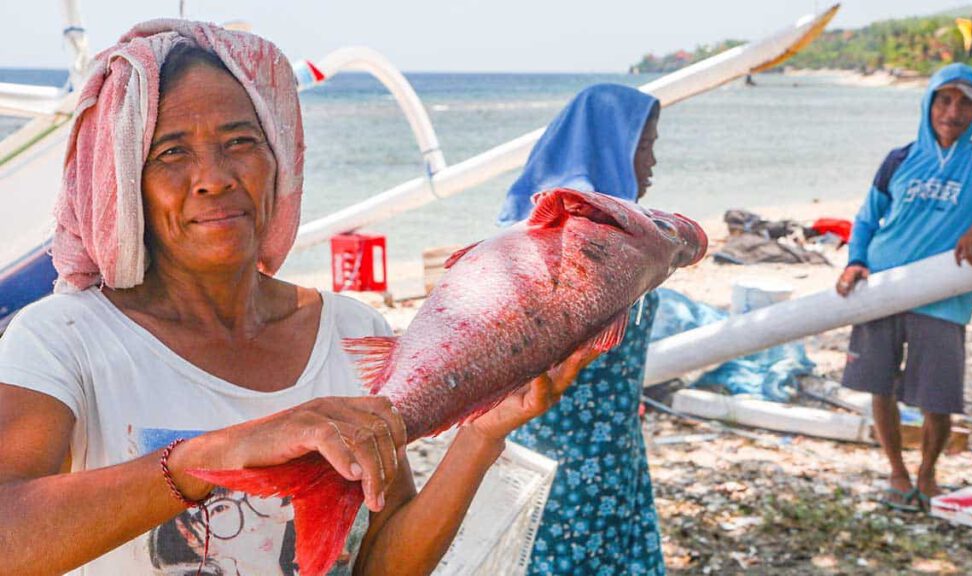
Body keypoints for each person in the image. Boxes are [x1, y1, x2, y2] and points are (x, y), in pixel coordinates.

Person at [0, 20, 594, 575]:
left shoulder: (350, 330)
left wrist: (480, 437)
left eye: (240, 141)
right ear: (123, 181)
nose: (215, 177)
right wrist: (215, 453)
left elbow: (380, 562)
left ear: (278, 159)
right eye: (171, 152)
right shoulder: (64, 338)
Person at [836, 63, 972, 510]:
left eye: (965, 103)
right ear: (929, 102)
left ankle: (927, 472)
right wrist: (856, 261)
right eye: (945, 99)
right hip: (881, 288)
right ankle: (897, 474)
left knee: (936, 399)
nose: (953, 111)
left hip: (945, 299)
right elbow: (866, 219)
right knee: (879, 387)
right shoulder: (900, 159)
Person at [499, 84, 668, 575]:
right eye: (644, 145)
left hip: (610, 439)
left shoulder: (610, 222)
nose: (653, 161)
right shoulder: (577, 227)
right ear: (611, 145)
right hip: (565, 449)